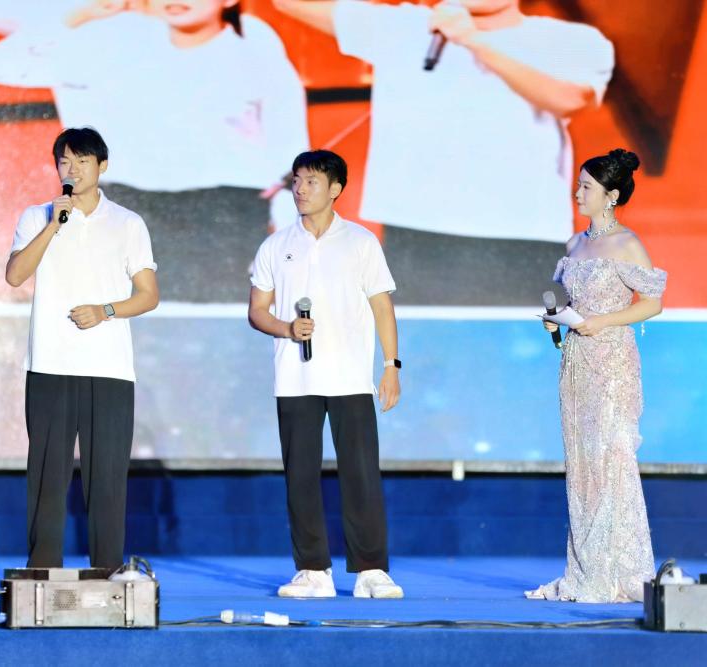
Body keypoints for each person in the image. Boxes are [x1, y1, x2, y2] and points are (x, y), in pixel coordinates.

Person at [0, 0, 309, 302]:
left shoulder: (253, 42)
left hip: (225, 216)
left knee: (209, 325)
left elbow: (288, 150)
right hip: (129, 205)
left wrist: (291, 248)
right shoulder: (116, 38)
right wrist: (80, 13)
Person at [273, 0, 614, 304]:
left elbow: (569, 98)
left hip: (525, 235)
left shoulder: (570, 39)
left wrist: (472, 39)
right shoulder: (405, 25)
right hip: (418, 233)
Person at [248, 150, 403, 598]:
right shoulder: (276, 245)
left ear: (335, 188)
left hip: (350, 376)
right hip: (294, 379)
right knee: (300, 476)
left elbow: (382, 306)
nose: (300, 189)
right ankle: (313, 569)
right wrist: (286, 328)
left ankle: (371, 570)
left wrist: (391, 365)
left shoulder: (361, 242)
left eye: (311, 181)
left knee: (360, 474)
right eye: (296, 180)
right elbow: (257, 311)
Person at [5, 126, 159, 569]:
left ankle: (107, 573)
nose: (71, 170)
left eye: (82, 161)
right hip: (50, 364)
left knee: (106, 479)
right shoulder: (38, 216)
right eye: (64, 162)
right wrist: (53, 225)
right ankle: (42, 571)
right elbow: (15, 276)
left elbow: (148, 295)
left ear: (102, 166)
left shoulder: (128, 223)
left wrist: (105, 310)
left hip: (109, 369)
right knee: (47, 477)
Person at [528, 148, 664, 603]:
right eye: (579, 184)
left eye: (587, 186)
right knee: (583, 464)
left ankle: (619, 572)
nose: (578, 192)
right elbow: (570, 301)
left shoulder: (627, 244)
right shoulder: (575, 244)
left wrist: (601, 321)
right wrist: (557, 321)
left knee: (611, 458)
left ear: (611, 196)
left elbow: (652, 303)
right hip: (576, 362)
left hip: (612, 364)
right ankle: (588, 569)